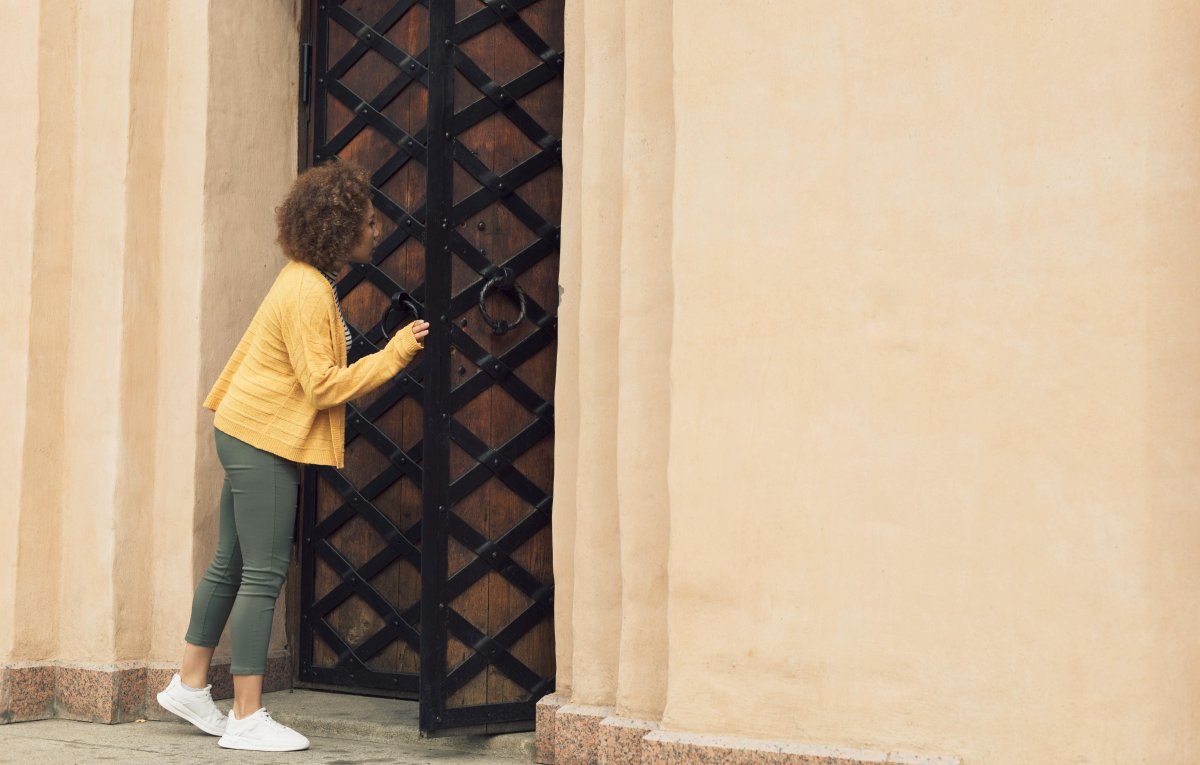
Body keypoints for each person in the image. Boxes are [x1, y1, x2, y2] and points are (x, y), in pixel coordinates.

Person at [154, 161, 429, 752]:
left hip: (246, 429)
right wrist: (395, 354)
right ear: (339, 227)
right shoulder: (307, 289)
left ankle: (190, 684)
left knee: (231, 563)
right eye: (368, 221)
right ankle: (246, 716)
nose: (377, 230)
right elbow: (322, 385)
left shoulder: (307, 281)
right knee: (263, 573)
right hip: (262, 440)